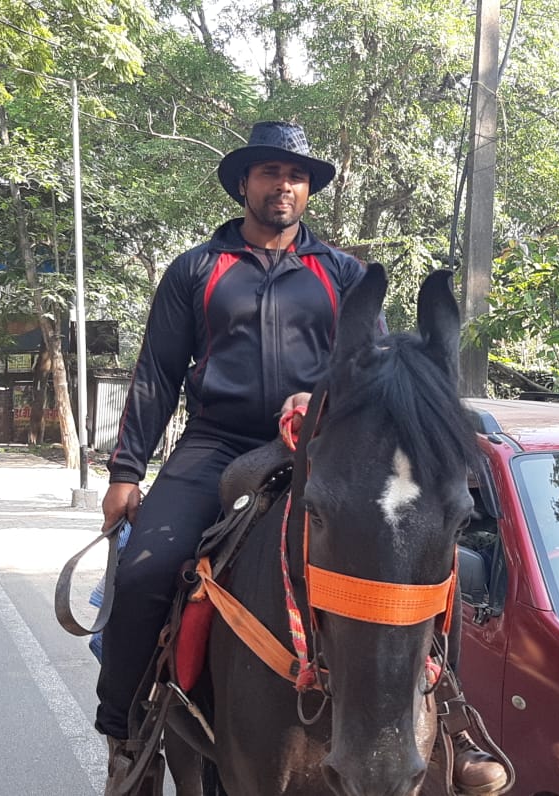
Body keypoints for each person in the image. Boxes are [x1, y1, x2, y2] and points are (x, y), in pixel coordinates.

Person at [93, 121, 506, 794]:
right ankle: (127, 732)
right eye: (270, 173)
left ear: (308, 191)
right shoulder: (196, 268)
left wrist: (321, 413)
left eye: (297, 176)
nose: (283, 185)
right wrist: (126, 470)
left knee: (427, 564)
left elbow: (369, 374)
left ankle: (454, 722)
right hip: (216, 441)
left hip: (317, 445)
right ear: (244, 184)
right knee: (144, 573)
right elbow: (156, 374)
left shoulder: (341, 273)